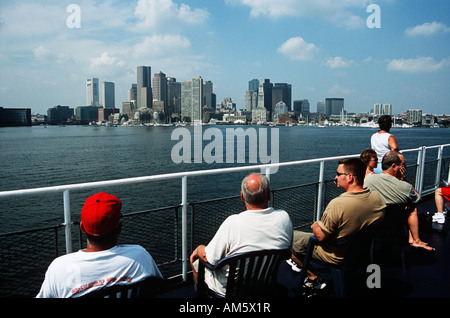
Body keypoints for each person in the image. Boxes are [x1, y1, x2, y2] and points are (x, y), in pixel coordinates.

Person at [36, 192, 163, 298]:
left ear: (82, 228)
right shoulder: (139, 257)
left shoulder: (59, 268)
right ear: (119, 229)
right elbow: (159, 285)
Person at [289, 158, 386, 291]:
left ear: (349, 177)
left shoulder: (338, 204)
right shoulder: (377, 198)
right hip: (360, 251)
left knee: (288, 239)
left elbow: (321, 237)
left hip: (336, 255)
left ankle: (314, 278)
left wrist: (315, 225)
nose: (335, 177)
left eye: (338, 174)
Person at [189, 173, 293, 297]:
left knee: (196, 261)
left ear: (242, 196)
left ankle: (206, 296)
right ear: (269, 195)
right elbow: (286, 254)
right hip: (264, 285)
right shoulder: (284, 217)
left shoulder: (233, 223)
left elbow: (209, 259)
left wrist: (199, 248)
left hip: (230, 292)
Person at [364, 151, 434, 251]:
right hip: (395, 227)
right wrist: (404, 179)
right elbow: (418, 198)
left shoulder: (369, 180)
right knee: (411, 209)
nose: (405, 167)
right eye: (403, 165)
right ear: (394, 166)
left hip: (374, 225)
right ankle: (415, 240)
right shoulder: (405, 187)